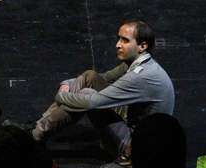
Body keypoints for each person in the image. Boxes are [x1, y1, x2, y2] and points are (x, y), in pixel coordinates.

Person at [31, 20, 174, 158]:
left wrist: (61, 95)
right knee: (90, 76)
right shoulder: (135, 63)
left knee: (86, 94)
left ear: (142, 46)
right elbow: (101, 78)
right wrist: (66, 83)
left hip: (137, 146)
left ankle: (34, 136)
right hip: (130, 118)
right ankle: (39, 126)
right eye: (119, 39)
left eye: (125, 40)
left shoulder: (141, 76)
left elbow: (92, 103)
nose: (118, 45)